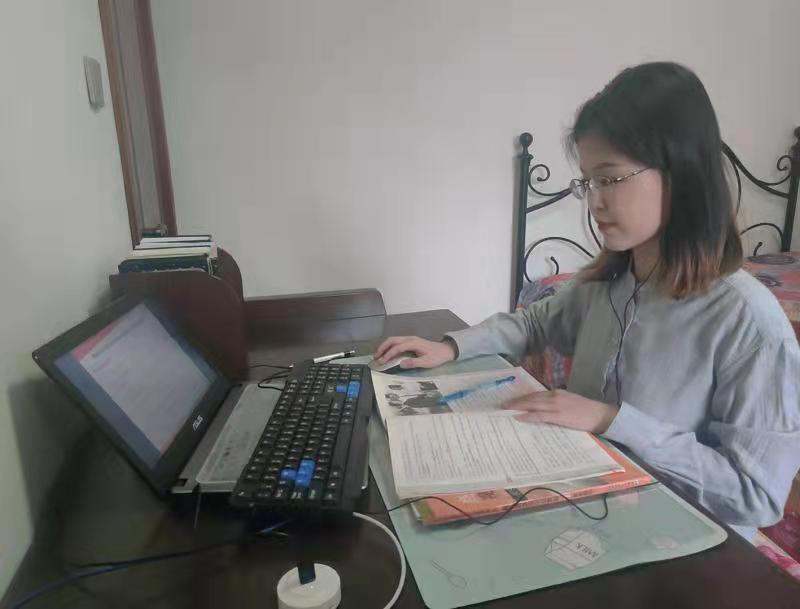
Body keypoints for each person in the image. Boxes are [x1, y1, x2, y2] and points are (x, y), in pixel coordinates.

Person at [374, 62, 800, 539]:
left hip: (687, 545)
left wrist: (611, 420)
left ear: (680, 173)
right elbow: (533, 323)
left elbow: (756, 496)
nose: (594, 202)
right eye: (588, 182)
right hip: (589, 507)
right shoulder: (606, 283)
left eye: (609, 179)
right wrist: (451, 347)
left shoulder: (749, 323)